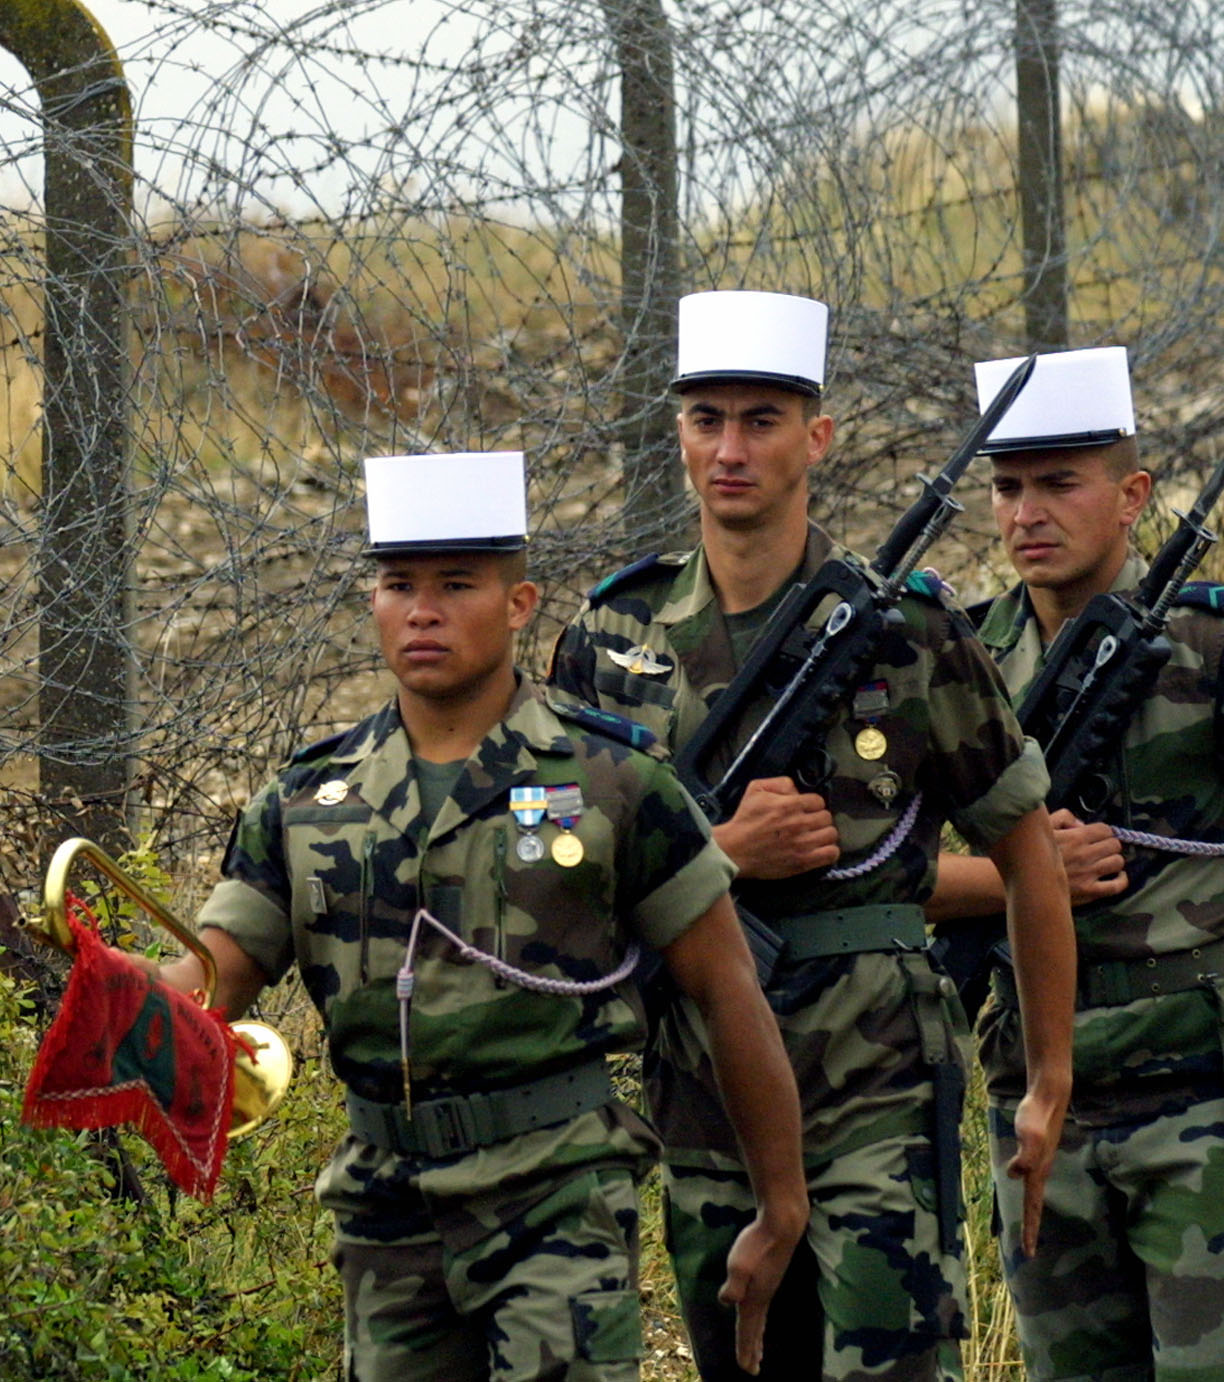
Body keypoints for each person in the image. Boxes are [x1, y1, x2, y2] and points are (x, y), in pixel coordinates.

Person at [147, 450, 806, 1380]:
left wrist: (781, 1205)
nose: (423, 610)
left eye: (457, 584)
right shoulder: (308, 801)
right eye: (398, 585)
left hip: (558, 1195)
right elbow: (210, 977)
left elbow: (727, 988)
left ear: (520, 603)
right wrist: (114, 990)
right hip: (386, 1209)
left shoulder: (612, 778)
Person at [548, 290, 1074, 1381]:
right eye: (706, 419)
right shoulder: (606, 636)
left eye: (761, 419)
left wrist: (1045, 1073)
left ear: (815, 436)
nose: (728, 448)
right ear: (678, 434)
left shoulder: (911, 629)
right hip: (703, 1102)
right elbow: (550, 862)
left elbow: (1026, 850)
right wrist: (719, 855)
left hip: (873, 1086)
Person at [927, 346, 1224, 1381]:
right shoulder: (952, 664)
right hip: (1035, 1108)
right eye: (1006, 487)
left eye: (1059, 482)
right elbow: (874, 864)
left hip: (1196, 1098)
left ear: (1131, 494)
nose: (1025, 513)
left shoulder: (1199, 645)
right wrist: (1013, 868)